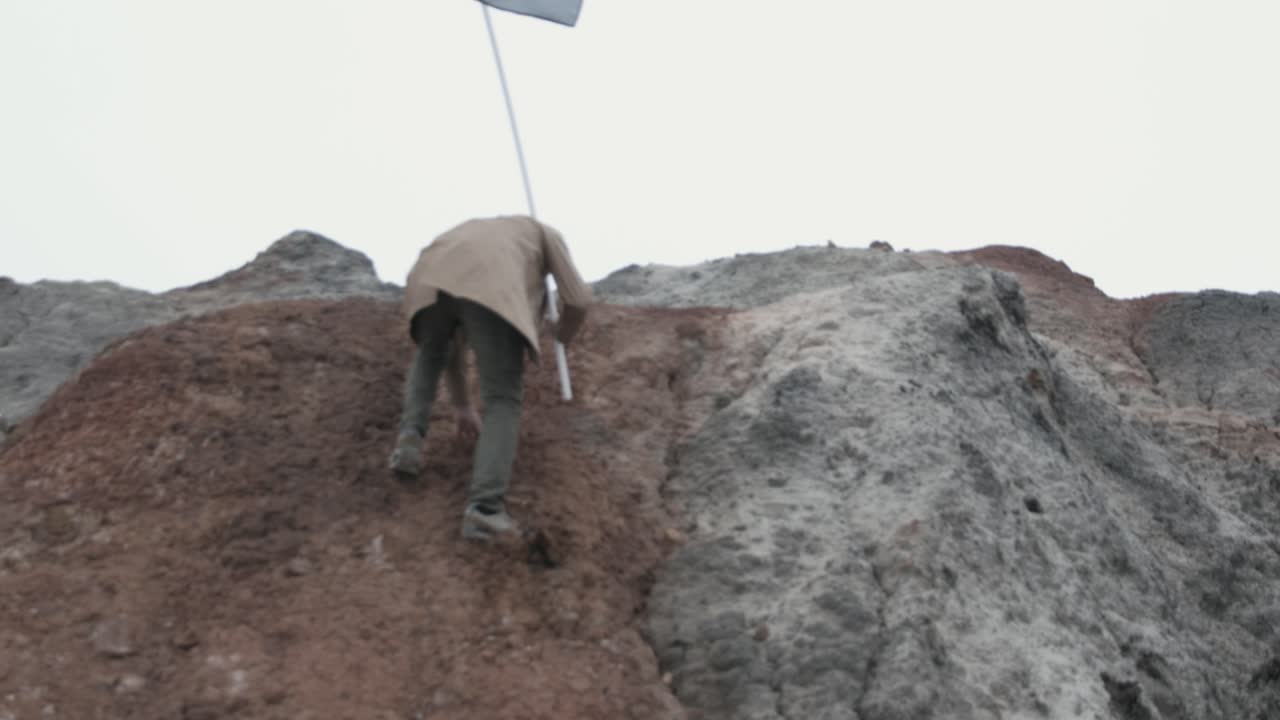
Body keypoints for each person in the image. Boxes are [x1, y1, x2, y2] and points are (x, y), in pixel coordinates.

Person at [389, 215, 592, 541]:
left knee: (431, 352)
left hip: (429, 276)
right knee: (503, 399)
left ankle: (409, 442)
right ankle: (485, 509)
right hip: (492, 285)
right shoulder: (546, 234)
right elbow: (579, 300)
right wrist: (562, 334)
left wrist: (462, 406)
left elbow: (450, 345)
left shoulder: (486, 232)